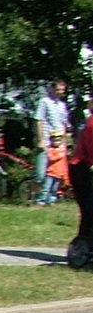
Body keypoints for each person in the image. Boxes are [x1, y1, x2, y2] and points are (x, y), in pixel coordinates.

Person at [34, 80, 72, 206]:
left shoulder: (62, 105)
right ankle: (35, 197)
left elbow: (64, 124)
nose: (60, 92)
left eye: (62, 90)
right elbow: (38, 121)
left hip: (59, 144)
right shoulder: (44, 102)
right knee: (40, 175)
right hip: (46, 142)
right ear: (52, 89)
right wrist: (41, 140)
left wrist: (65, 143)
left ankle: (49, 199)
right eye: (58, 89)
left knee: (56, 174)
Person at [68, 111, 93, 269]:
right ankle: (82, 249)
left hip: (85, 168)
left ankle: (84, 248)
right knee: (90, 212)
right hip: (83, 169)